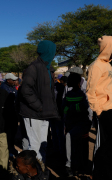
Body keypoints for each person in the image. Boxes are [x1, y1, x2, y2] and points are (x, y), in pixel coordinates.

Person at [19, 40, 59, 163]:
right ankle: (33, 173)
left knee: (43, 144)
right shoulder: (33, 67)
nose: (53, 53)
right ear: (47, 51)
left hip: (44, 113)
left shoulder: (49, 69)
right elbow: (25, 90)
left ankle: (41, 171)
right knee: (34, 146)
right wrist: (39, 106)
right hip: (33, 113)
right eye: (52, 50)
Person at [86, 35, 112, 180]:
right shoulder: (96, 65)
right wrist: (98, 111)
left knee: (108, 145)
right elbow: (91, 90)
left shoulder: (108, 65)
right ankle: (97, 173)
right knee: (101, 145)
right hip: (103, 111)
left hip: (111, 109)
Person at [62, 73, 91, 176]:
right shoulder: (69, 94)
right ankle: (72, 166)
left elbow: (83, 108)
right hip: (72, 124)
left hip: (81, 125)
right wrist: (72, 109)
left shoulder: (82, 94)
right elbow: (64, 108)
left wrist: (71, 109)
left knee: (80, 146)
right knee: (76, 146)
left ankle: (73, 166)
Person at [0, 73, 18, 157]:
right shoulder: (4, 88)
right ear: (8, 80)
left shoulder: (12, 87)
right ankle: (8, 150)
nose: (15, 81)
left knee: (13, 132)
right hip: (7, 114)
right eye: (13, 80)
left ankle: (12, 147)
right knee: (8, 133)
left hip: (13, 113)